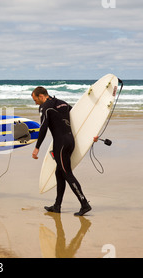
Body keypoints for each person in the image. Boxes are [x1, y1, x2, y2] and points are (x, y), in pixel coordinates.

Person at [31, 86, 91, 216]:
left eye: (35, 99)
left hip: (61, 145)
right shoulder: (62, 103)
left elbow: (43, 128)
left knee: (67, 174)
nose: (35, 103)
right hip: (70, 142)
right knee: (59, 174)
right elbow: (78, 119)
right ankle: (57, 205)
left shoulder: (45, 107)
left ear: (41, 96)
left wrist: (37, 147)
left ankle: (84, 203)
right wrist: (90, 136)